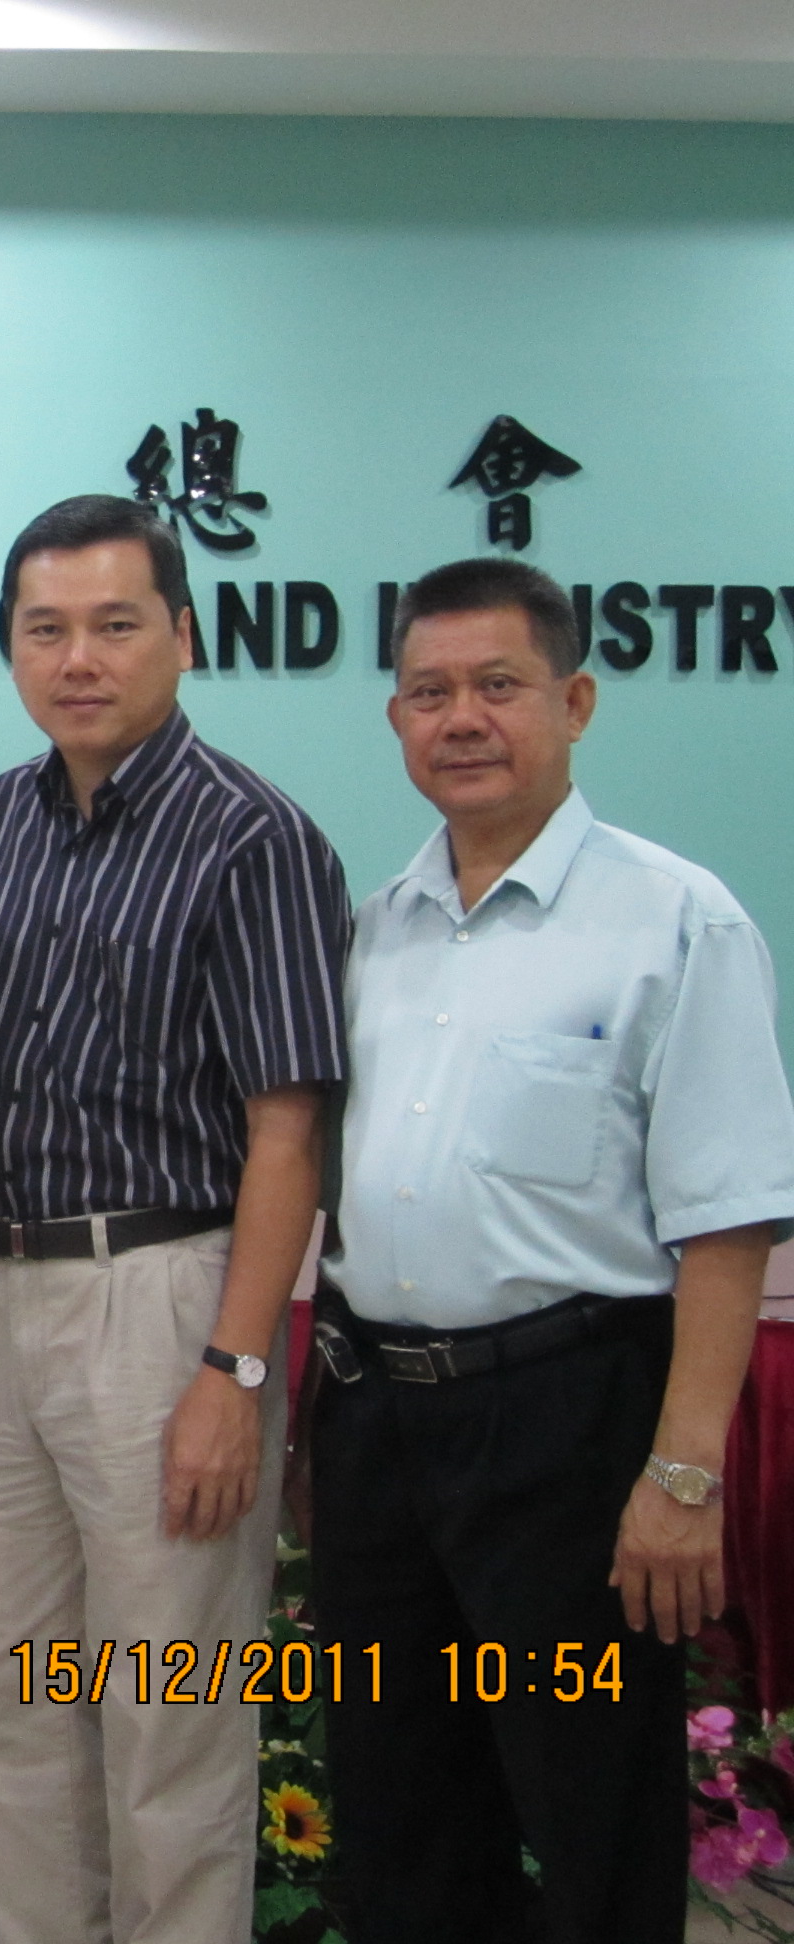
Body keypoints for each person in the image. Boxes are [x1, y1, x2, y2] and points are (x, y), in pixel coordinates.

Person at [315, 559, 794, 1944]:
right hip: (378, 1425)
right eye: (429, 692)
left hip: (566, 1431)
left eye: (499, 686)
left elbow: (727, 1219)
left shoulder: (675, 920)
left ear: (574, 702)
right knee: (398, 1807)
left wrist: (682, 1478)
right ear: (396, 719)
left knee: (589, 1805)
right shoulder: (372, 933)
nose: (462, 718)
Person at [0, 494, 349, 1944]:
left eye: (116, 625)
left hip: (164, 1299)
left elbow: (288, 1129)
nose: (79, 659)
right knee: (8, 1700)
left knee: (169, 1710)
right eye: (45, 629)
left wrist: (233, 1372)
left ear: (181, 634)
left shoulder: (253, 837)